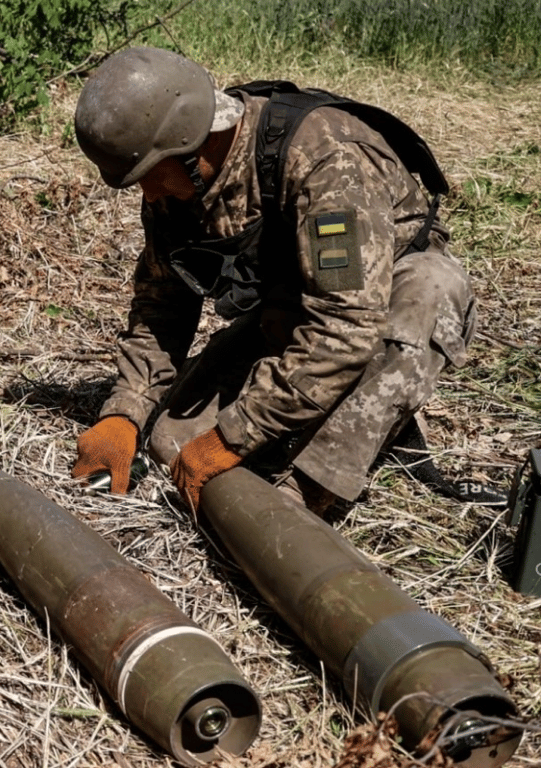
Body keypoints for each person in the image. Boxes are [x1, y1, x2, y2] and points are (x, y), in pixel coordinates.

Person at [69, 47, 477, 515]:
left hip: (382, 307)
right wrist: (126, 411)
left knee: (430, 286)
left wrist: (234, 434)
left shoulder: (329, 161)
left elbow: (346, 326)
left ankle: (316, 477)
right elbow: (163, 304)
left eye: (150, 177)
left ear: (194, 146)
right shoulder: (174, 180)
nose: (149, 193)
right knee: (170, 444)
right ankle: (317, 414)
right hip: (296, 310)